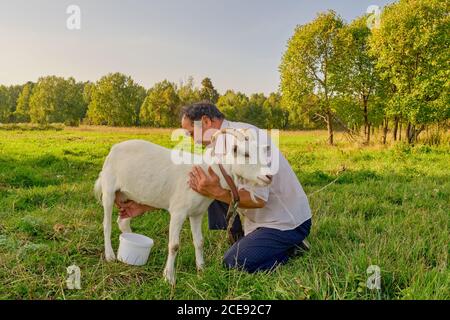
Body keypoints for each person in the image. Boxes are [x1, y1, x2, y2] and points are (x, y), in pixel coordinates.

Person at [115, 101, 312, 273]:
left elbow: (260, 199)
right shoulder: (214, 148)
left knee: (234, 263)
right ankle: (241, 238)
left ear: (206, 122)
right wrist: (144, 205)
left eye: (191, 133)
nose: (191, 139)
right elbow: (189, 193)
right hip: (257, 222)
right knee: (207, 180)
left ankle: (290, 247)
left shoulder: (246, 139)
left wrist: (216, 191)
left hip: (285, 223)